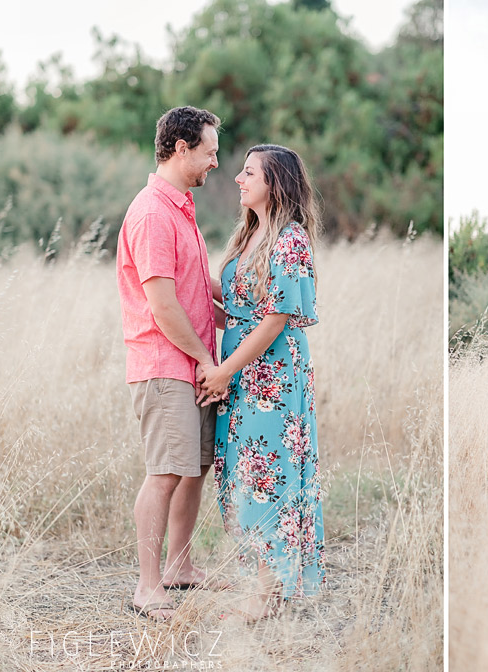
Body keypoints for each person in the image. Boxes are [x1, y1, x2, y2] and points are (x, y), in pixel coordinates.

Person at [198, 144, 325, 621]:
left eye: (249, 173)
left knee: (269, 474)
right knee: (246, 472)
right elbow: (234, 305)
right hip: (243, 371)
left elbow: (273, 320)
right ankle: (266, 583)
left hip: (272, 374)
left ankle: (268, 595)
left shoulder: (290, 239)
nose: (238, 179)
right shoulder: (247, 235)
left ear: (276, 183)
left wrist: (223, 372)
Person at [117, 106, 224, 621]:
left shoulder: (181, 207)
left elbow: (195, 290)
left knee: (194, 467)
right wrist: (207, 359)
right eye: (210, 153)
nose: (215, 164)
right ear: (182, 149)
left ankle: (180, 568)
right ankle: (146, 585)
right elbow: (162, 305)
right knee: (164, 473)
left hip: (193, 365)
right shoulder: (154, 212)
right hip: (166, 364)